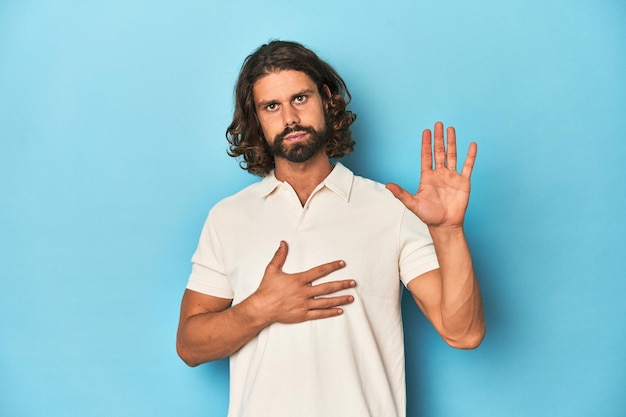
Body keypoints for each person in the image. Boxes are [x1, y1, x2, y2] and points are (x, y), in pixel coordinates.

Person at [176, 40, 485, 417]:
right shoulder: (227, 217)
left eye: (300, 98)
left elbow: (464, 332)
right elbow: (190, 346)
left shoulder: (390, 209)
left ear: (326, 99)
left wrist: (449, 231)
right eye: (271, 106)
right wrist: (260, 309)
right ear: (256, 118)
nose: (289, 117)